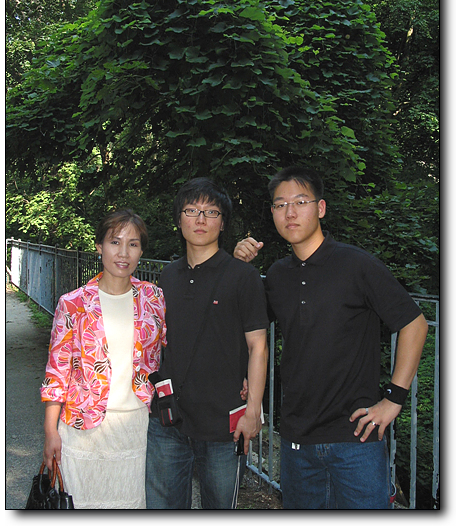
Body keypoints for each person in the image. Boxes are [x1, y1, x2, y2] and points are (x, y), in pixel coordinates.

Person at [234, 166, 428, 510]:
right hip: (296, 441)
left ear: (320, 208)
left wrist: (394, 399)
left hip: (356, 440)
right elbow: (248, 329)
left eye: (300, 201)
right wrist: (239, 269)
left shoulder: (357, 265)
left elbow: (414, 323)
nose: (290, 212)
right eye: (280, 204)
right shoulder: (277, 275)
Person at [145, 177, 269, 509]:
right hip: (168, 419)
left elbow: (258, 346)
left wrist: (253, 410)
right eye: (191, 210)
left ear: (223, 223)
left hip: (223, 424)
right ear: (179, 219)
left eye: (211, 212)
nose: (200, 219)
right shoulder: (167, 276)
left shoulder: (243, 277)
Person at [41, 209, 166, 509]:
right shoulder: (73, 303)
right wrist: (50, 431)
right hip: (82, 428)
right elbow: (57, 371)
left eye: (133, 244)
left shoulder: (153, 298)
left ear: (141, 251)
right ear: (99, 246)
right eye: (115, 242)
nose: (123, 253)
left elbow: (173, 349)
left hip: (135, 427)